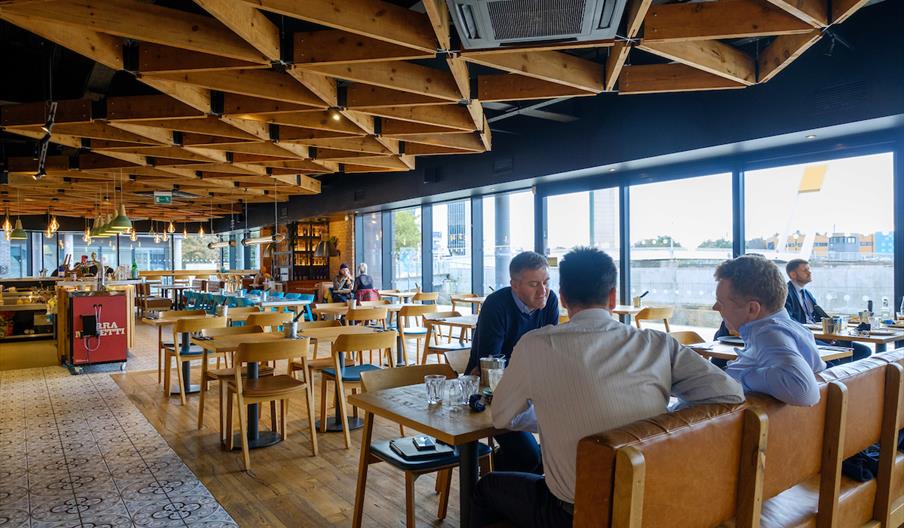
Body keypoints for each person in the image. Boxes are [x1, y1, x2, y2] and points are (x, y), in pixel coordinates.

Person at [471, 247, 744, 527]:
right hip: (652, 506)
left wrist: (556, 415)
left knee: (485, 488)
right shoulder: (659, 344)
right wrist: (663, 423)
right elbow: (731, 393)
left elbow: (503, 416)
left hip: (577, 514)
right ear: (613, 297)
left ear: (562, 298)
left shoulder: (534, 345)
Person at [465, 251, 559, 474]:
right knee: (530, 456)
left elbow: (549, 353)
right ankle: (493, 485)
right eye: (534, 284)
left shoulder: (550, 300)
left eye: (546, 282)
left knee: (556, 453)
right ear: (515, 285)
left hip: (531, 390)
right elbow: (490, 367)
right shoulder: (496, 305)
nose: (542, 291)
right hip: (489, 394)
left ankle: (503, 483)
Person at [713, 255, 825, 406]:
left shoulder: (768, 334)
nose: (715, 308)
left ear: (752, 309)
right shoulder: (792, 329)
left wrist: (734, 377)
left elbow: (803, 391)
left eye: (721, 302)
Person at [785, 258, 871, 362]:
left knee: (864, 351)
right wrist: (818, 336)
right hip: (806, 337)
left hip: (820, 334)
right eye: (805, 270)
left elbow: (819, 316)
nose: (810, 272)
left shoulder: (807, 293)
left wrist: (829, 331)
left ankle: (847, 373)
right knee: (840, 354)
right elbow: (789, 320)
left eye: (809, 269)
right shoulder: (786, 293)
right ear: (793, 274)